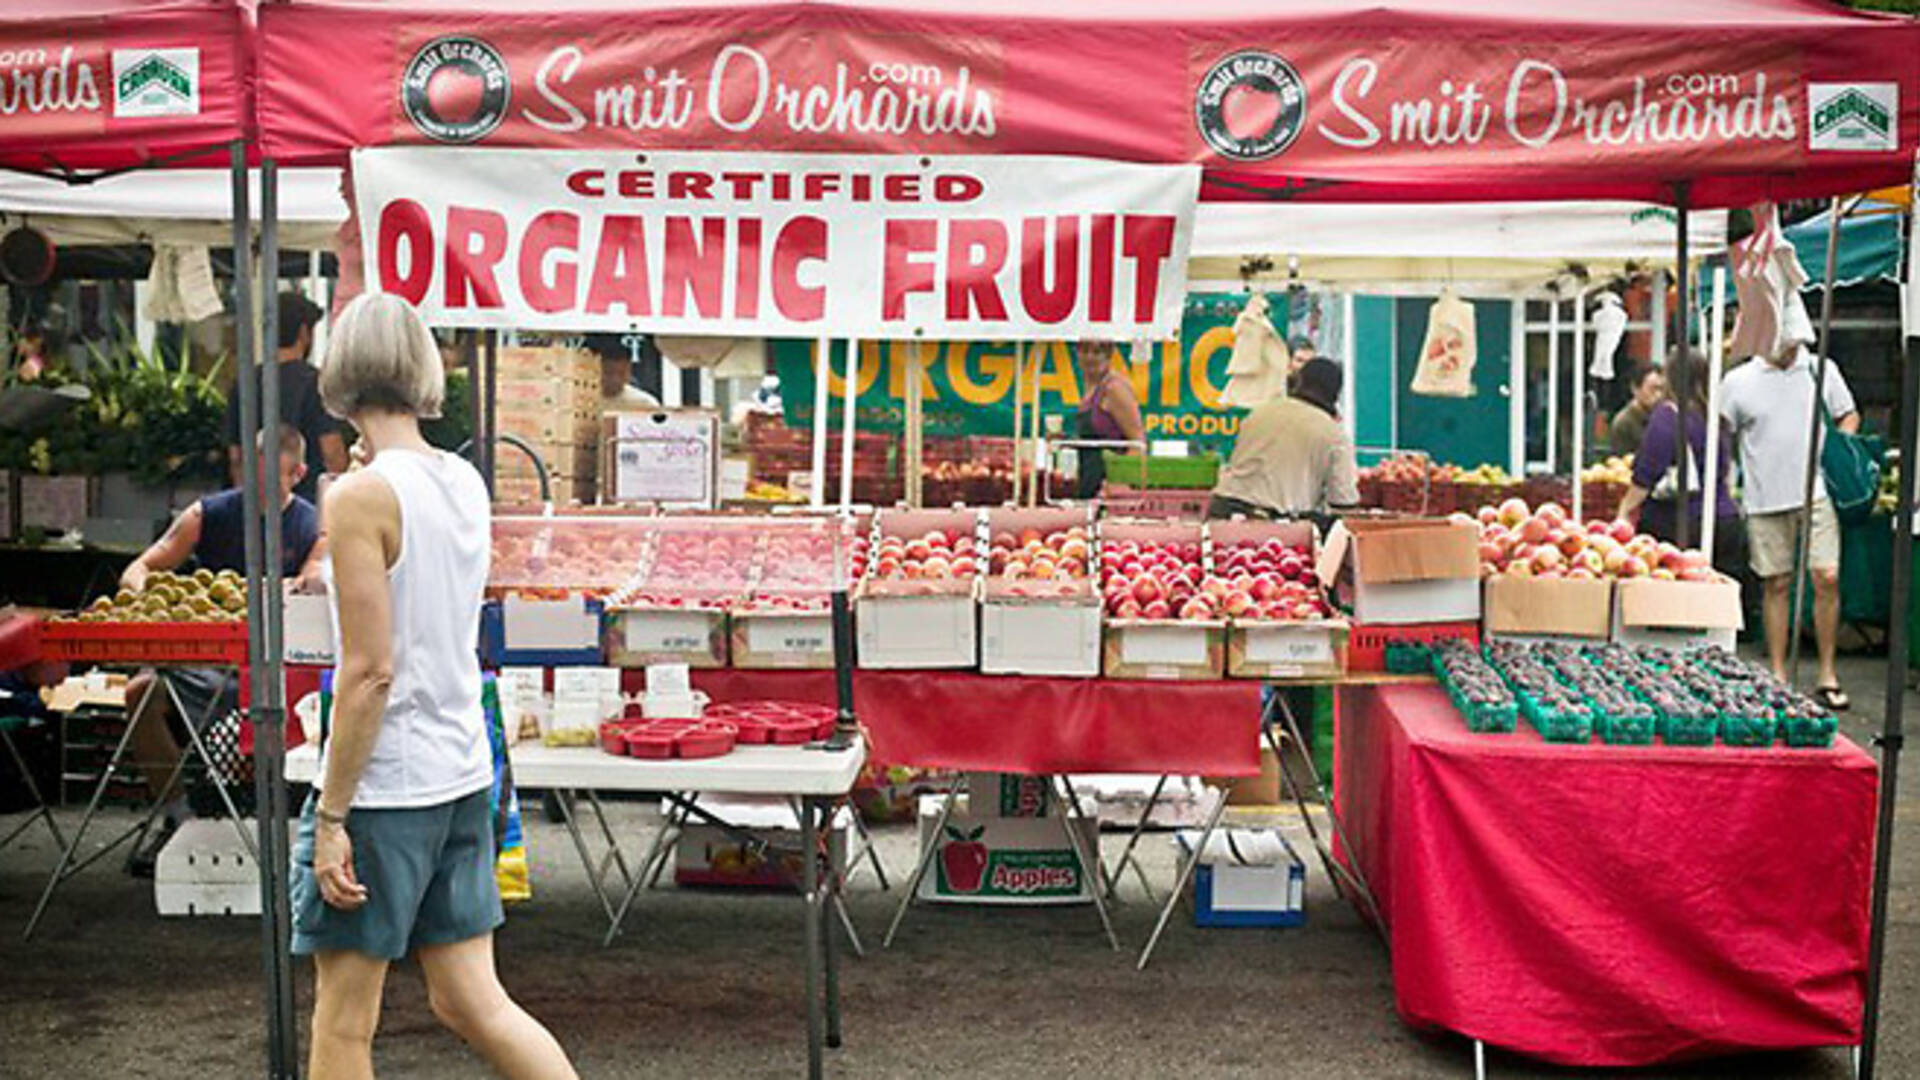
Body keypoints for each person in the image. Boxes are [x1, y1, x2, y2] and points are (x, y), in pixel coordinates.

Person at [295, 292, 576, 1080]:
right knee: (472, 1001)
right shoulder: (462, 480)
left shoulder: (358, 496)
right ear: (421, 368)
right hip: (462, 773)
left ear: (339, 373)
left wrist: (330, 815)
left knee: (344, 1025)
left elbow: (370, 670)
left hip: (387, 784)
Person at [120, 425, 325, 875]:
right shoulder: (205, 515)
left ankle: (288, 823)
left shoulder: (312, 524)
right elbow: (140, 567)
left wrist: (288, 586)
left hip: (277, 670)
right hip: (203, 661)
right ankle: (177, 814)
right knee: (140, 693)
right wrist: (145, 599)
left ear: (299, 473)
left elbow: (312, 581)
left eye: (275, 478)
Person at [1720, 333, 1860, 709]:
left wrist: (1839, 449)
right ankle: (1778, 672)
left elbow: (1848, 413)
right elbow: (1722, 431)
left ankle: (1827, 672)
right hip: (1765, 495)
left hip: (1818, 490)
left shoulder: (1820, 370)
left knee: (1826, 576)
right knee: (1776, 582)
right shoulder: (1738, 381)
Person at [1615, 348, 1744, 575]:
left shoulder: (1669, 416)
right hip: (1725, 520)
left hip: (1681, 525)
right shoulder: (1715, 416)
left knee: (1678, 600)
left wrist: (1624, 511)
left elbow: (1646, 472)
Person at [1209, 357, 1360, 527]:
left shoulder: (1261, 412)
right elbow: (1344, 501)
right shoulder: (1334, 434)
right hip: (1277, 526)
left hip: (1223, 511)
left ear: (1299, 380)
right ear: (1336, 393)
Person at [228, 291, 349, 503]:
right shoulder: (317, 383)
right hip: (309, 505)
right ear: (304, 332)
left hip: (257, 508)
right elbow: (332, 453)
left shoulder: (245, 383)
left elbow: (236, 456)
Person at [1071, 339, 1145, 499]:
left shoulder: (1114, 389)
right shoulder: (1090, 388)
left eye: (1097, 352)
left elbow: (1138, 443)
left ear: (1109, 355)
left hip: (1108, 489)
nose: (1090, 357)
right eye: (1085, 351)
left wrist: (1117, 483)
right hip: (1089, 481)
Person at [1609, 364, 1665, 457]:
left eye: (1661, 389)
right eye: (1653, 389)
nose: (1658, 395)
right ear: (1635, 389)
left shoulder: (1664, 417)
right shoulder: (1624, 423)